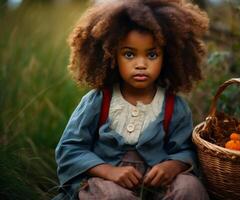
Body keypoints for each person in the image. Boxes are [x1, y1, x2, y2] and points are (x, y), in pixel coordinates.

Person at [54, 0, 210, 199]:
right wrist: (108, 171)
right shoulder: (99, 101)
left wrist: (172, 166)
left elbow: (187, 151)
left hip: (156, 188)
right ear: (111, 55)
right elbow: (70, 149)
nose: (141, 64)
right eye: (129, 54)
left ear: (168, 57)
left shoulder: (174, 107)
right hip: (106, 183)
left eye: (152, 54)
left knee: (190, 187)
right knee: (113, 196)